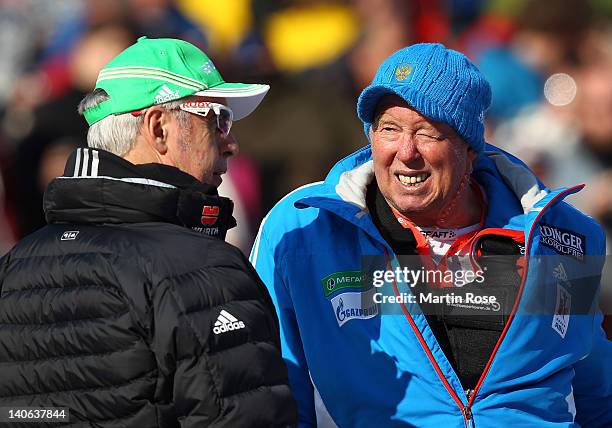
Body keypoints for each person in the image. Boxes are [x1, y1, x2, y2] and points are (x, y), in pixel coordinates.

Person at [250, 43, 611, 427]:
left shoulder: (557, 234)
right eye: (389, 129)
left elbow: (597, 392)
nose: (406, 151)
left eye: (428, 132)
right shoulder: (304, 227)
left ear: (470, 150)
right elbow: (272, 391)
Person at [0, 36, 297, 427]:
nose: (232, 143)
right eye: (218, 120)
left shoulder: (13, 268)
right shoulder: (202, 268)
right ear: (158, 128)